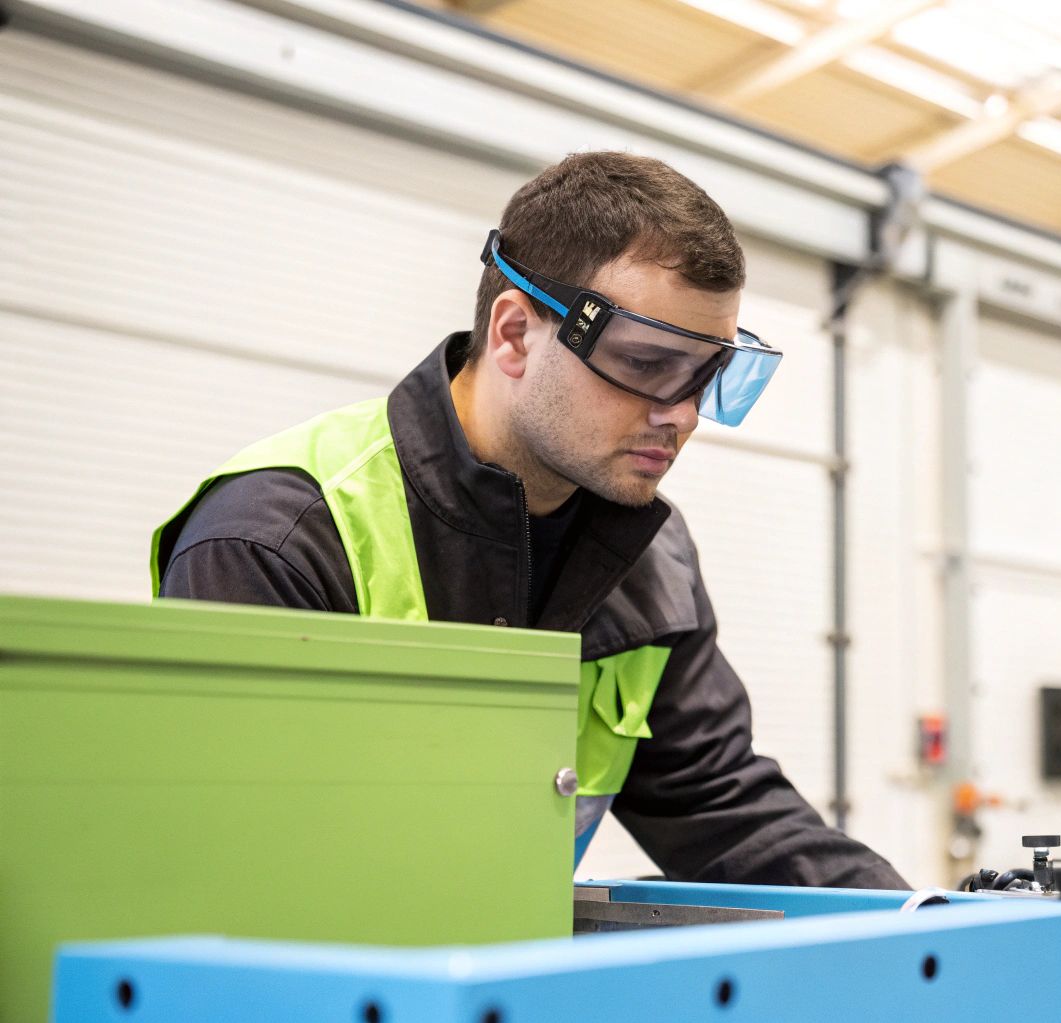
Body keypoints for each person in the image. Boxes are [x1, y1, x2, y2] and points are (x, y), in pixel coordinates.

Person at [152, 151, 907, 890]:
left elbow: (723, 806)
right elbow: (238, 873)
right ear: (515, 334)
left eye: (705, 376)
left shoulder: (650, 552)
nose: (679, 415)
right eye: (645, 364)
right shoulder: (279, 540)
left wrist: (927, 919)